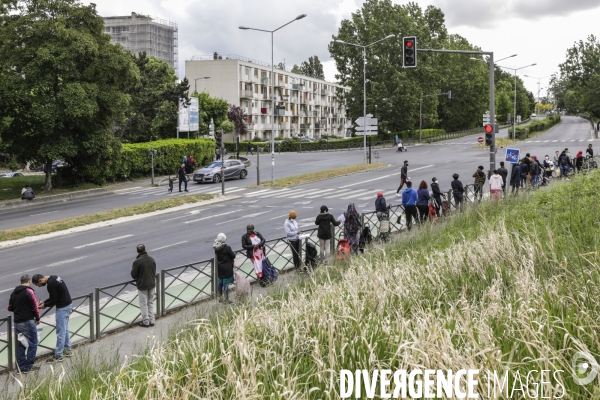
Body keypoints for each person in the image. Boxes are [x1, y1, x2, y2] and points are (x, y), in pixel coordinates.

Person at [32, 274, 72, 363]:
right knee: (65, 330)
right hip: (68, 304)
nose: (39, 287)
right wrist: (44, 302)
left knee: (60, 332)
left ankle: (59, 356)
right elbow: (54, 296)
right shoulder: (54, 277)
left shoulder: (51, 284)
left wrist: (44, 305)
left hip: (62, 308)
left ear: (40, 281)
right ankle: (68, 350)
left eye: (37, 285)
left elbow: (53, 300)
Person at [8, 274, 41, 373]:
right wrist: (38, 317)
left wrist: (20, 308)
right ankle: (28, 366)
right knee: (33, 343)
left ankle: (21, 367)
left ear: (20, 282)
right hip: (28, 321)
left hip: (17, 322)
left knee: (21, 345)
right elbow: (34, 307)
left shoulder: (13, 293)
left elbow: (9, 308)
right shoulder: (29, 291)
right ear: (29, 281)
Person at [130, 244, 156, 328]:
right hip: (152, 284)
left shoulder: (137, 262)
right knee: (150, 303)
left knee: (143, 304)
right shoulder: (151, 259)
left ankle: (146, 322)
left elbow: (134, 275)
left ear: (137, 251)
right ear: (145, 249)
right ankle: (152, 320)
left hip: (143, 285)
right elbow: (154, 271)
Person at [213, 233, 236, 304]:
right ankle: (226, 299)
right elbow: (233, 256)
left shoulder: (216, 248)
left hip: (220, 267)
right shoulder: (227, 248)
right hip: (227, 267)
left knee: (220, 282)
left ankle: (220, 298)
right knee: (226, 284)